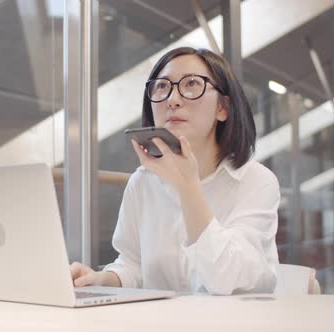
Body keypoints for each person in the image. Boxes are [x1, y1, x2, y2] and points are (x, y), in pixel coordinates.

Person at [70, 47, 280, 295]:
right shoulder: (143, 182)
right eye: (161, 87)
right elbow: (133, 264)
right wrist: (102, 280)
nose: (173, 99)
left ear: (222, 108)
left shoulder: (256, 181)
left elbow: (228, 279)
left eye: (191, 83)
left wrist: (188, 187)